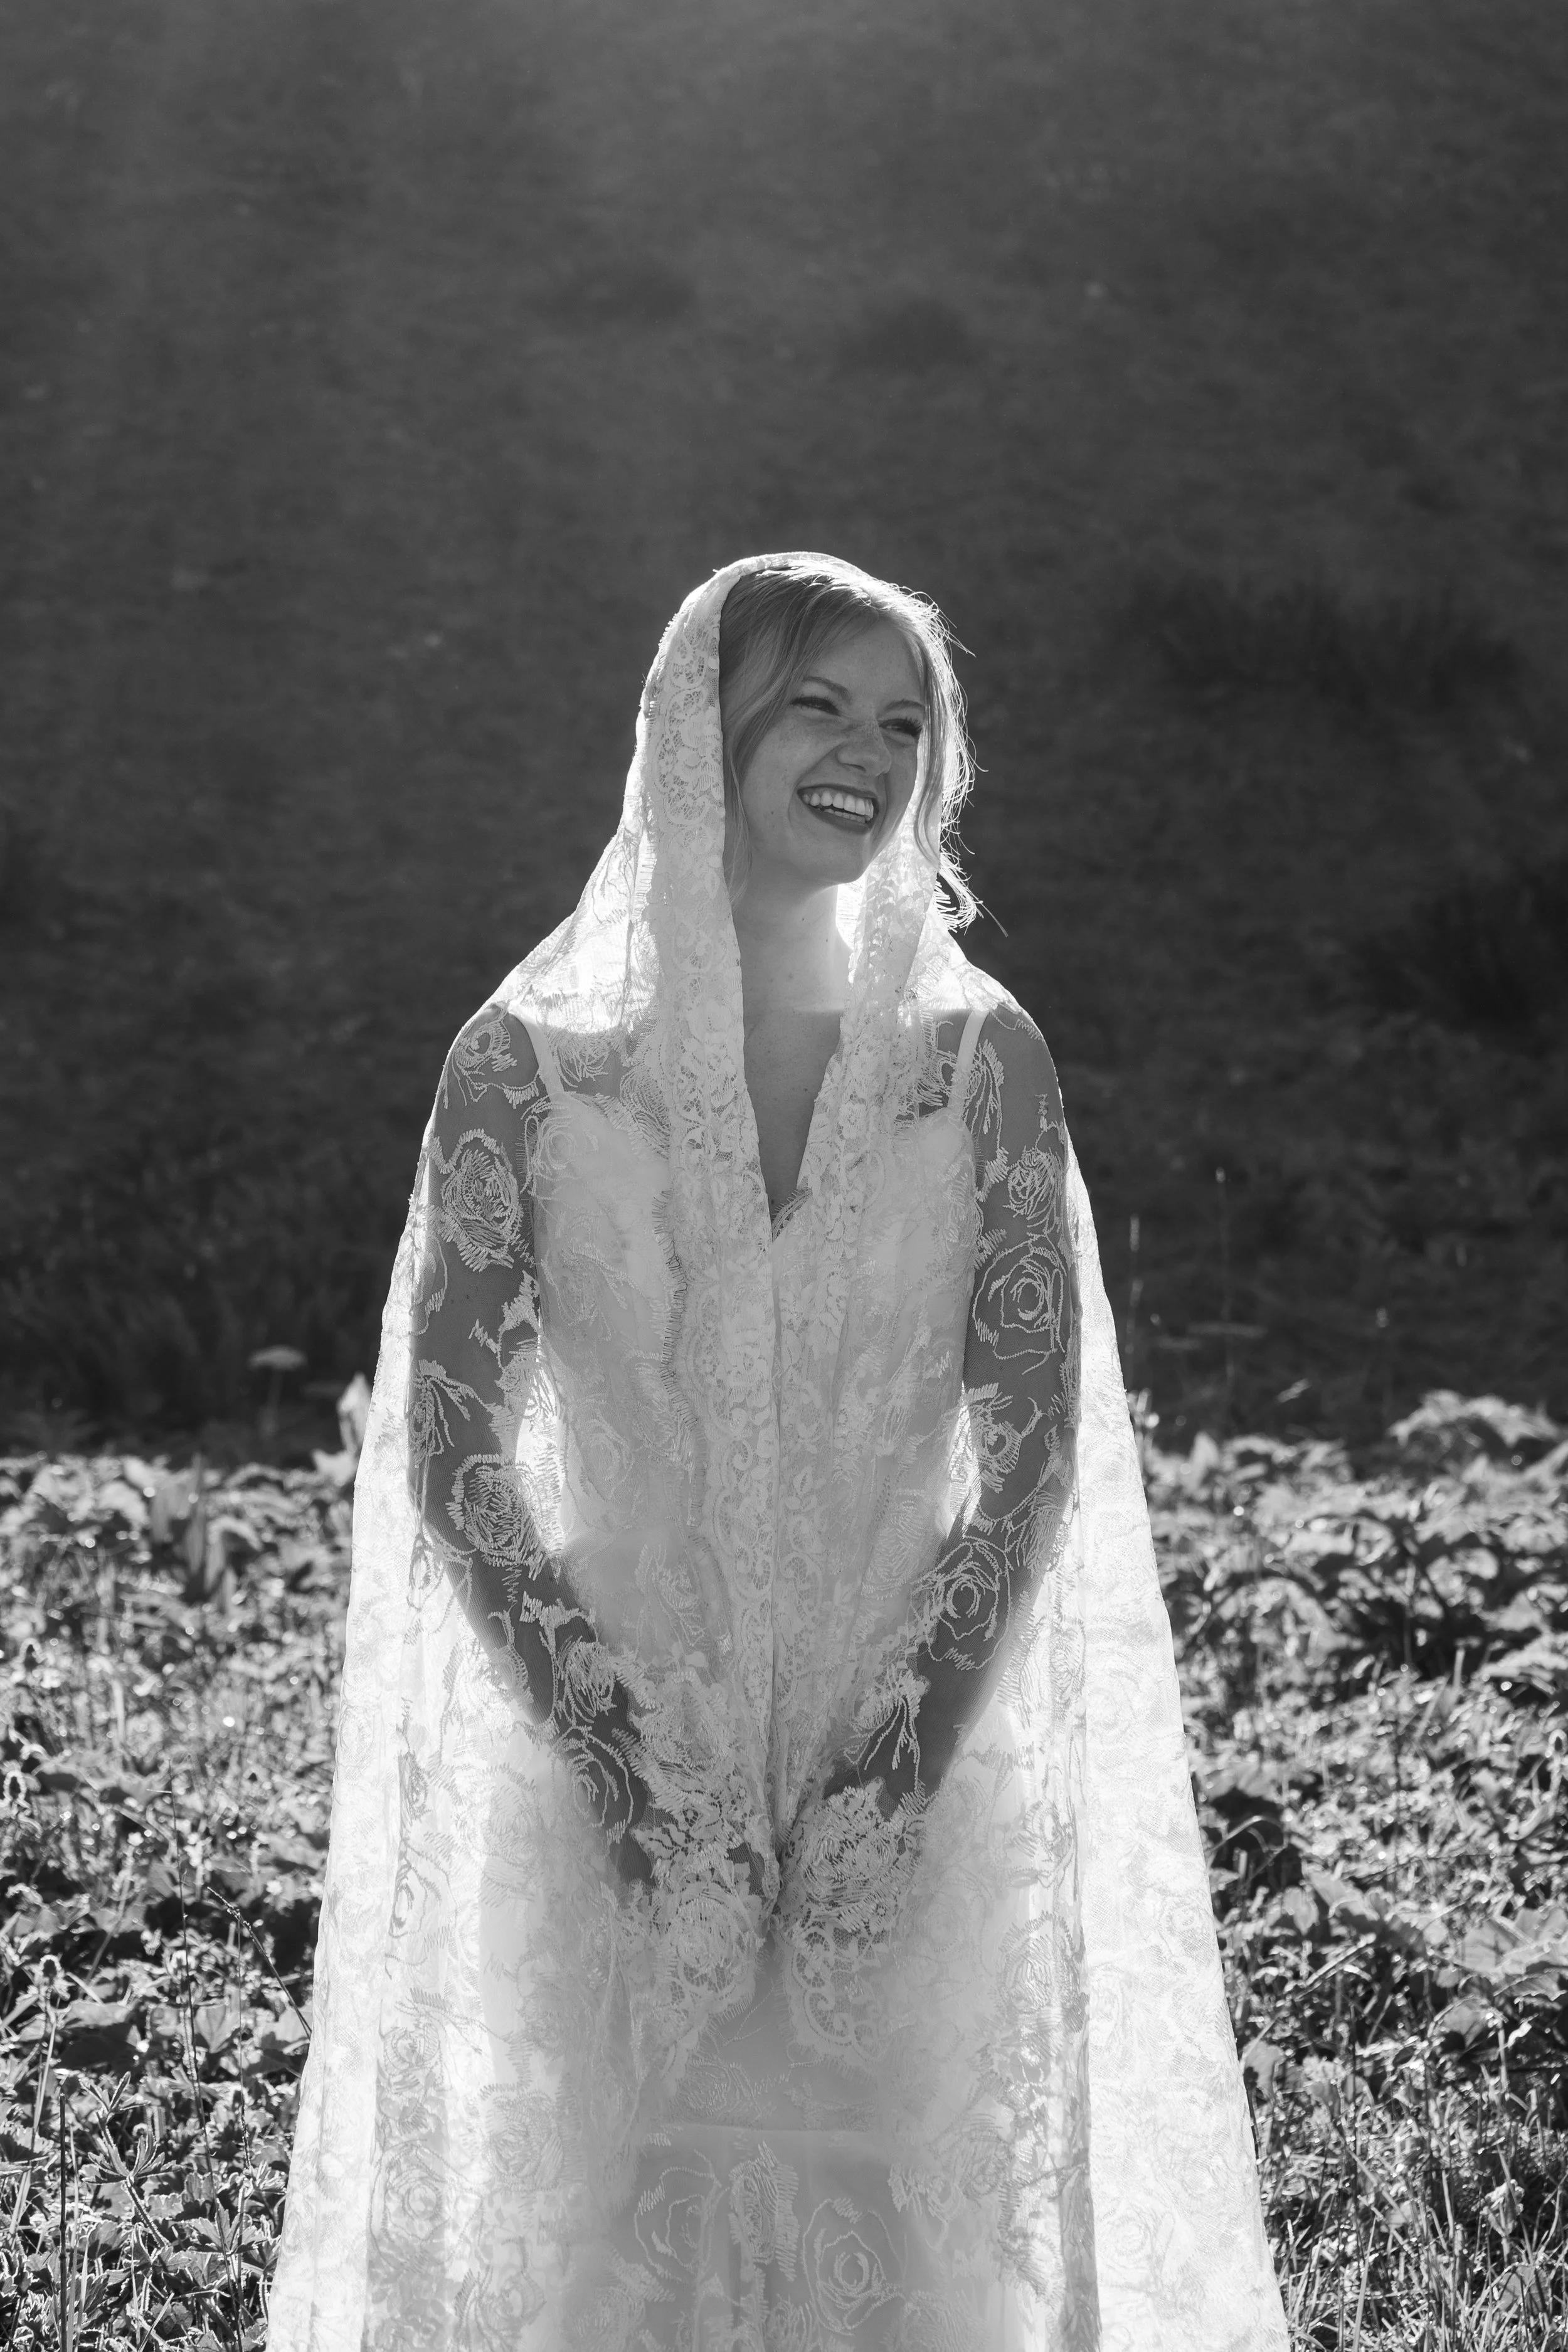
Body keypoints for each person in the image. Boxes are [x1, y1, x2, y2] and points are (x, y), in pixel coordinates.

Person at [268, 554, 1287, 2351]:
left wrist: (895, 1762)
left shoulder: (983, 1065)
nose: (865, 752)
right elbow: (446, 1443)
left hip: (903, 1788)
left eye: (905, 723)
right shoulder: (526, 1066)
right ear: (707, 721)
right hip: (608, 1807)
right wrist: (622, 1756)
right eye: (818, 701)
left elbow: (1031, 1447)